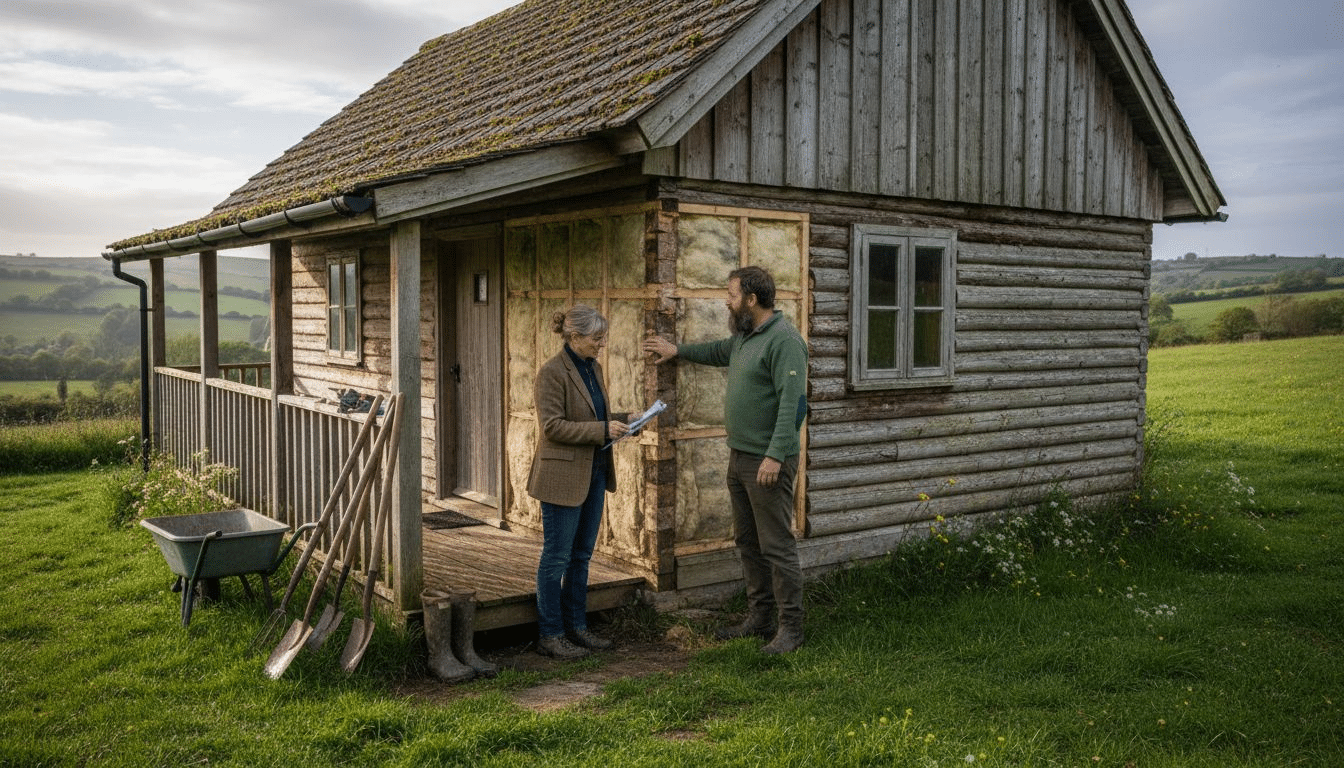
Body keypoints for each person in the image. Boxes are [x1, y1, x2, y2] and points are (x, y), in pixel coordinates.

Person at [643, 265, 809, 654]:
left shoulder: (784, 340)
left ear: (751, 300)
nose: (726, 301)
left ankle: (792, 628)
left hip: (767, 462)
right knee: (749, 541)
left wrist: (774, 456)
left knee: (776, 545)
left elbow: (794, 404)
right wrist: (677, 351)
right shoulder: (745, 338)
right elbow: (718, 351)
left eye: (731, 295)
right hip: (740, 457)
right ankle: (760, 617)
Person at [528, 305, 631, 659]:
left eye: (603, 337)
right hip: (561, 478)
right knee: (556, 557)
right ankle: (550, 634)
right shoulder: (551, 373)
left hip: (595, 472)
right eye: (596, 338)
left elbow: (593, 416)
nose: (601, 344)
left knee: (582, 556)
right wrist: (603, 429)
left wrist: (623, 420)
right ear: (574, 337)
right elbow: (553, 426)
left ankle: (577, 627)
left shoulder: (594, 368)